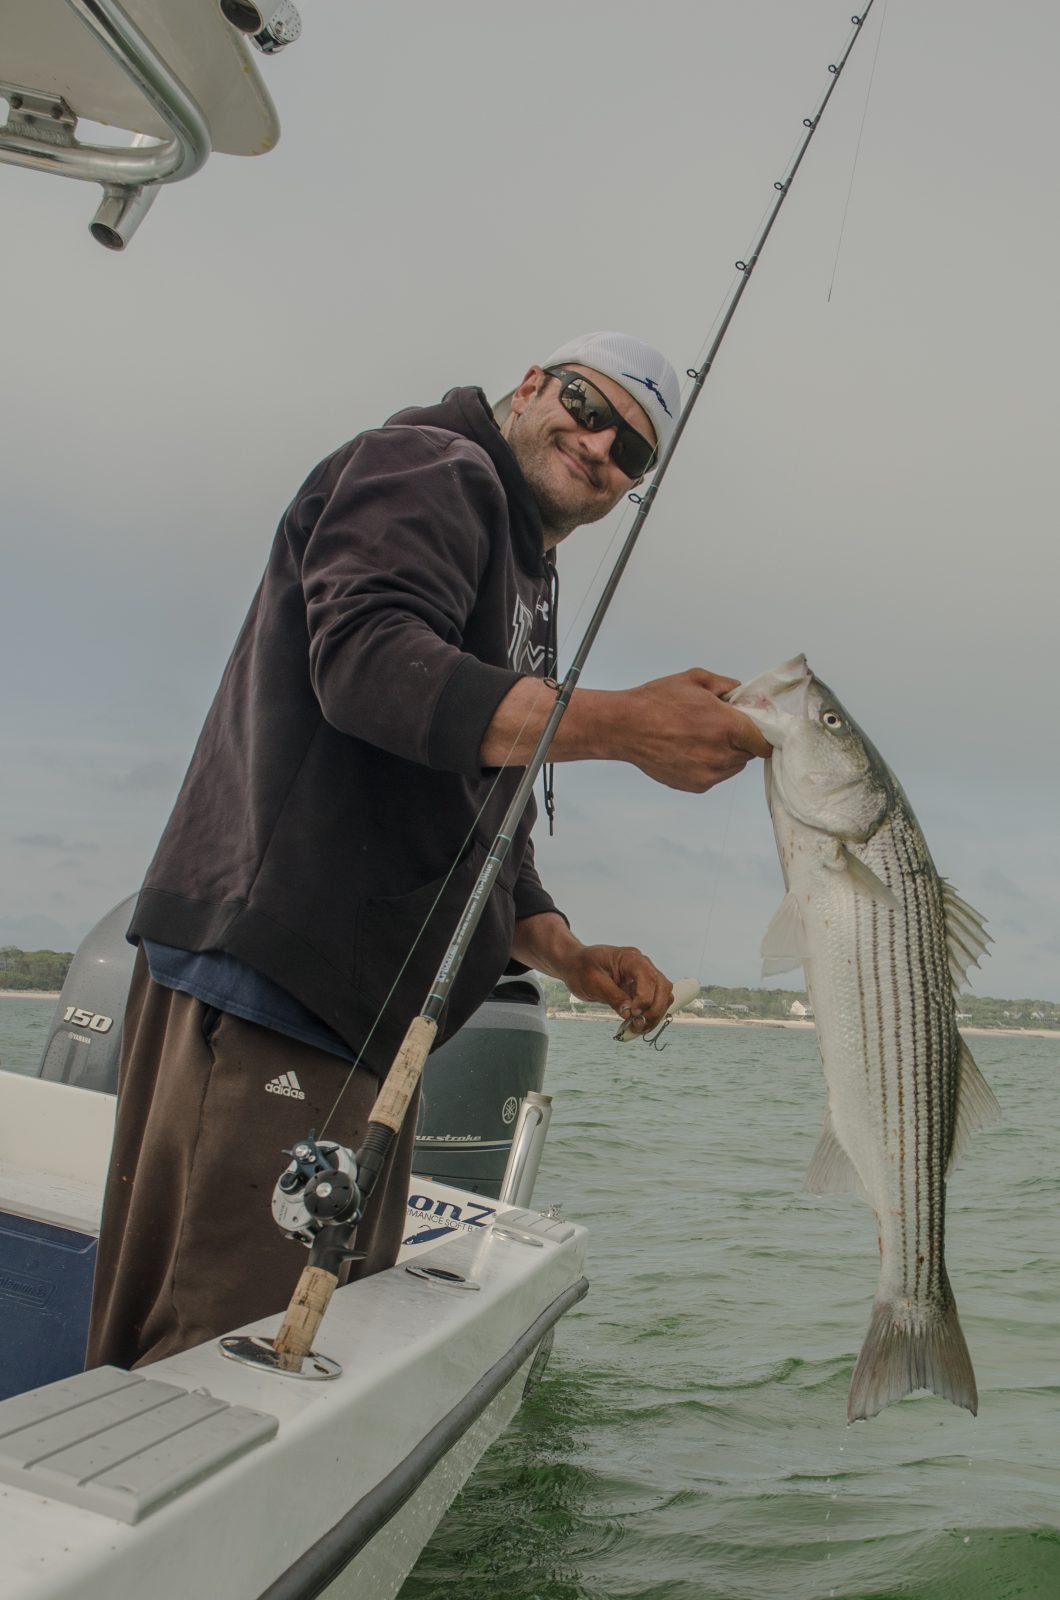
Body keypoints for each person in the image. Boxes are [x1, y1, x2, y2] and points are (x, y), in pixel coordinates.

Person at [86, 330, 771, 1371]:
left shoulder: (522, 568)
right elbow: (367, 664)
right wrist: (622, 723)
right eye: (585, 406)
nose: (597, 447)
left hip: (366, 1016)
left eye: (631, 453)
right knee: (213, 1350)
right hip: (278, 981)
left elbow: (484, 809)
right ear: (533, 382)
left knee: (296, 1352)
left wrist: (565, 952)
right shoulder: (428, 467)